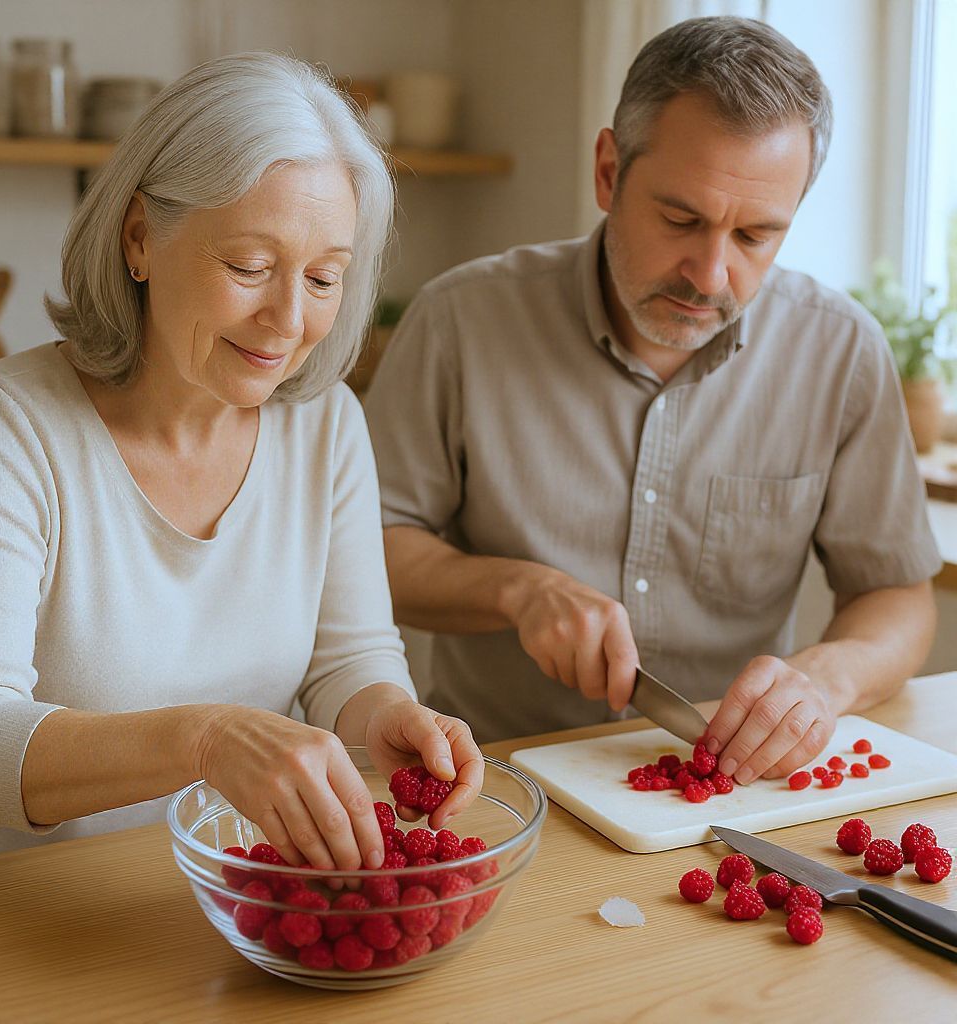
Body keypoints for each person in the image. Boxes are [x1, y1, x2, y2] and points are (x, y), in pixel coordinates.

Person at [0, 52, 482, 866]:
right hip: (15, 909)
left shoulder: (326, 425)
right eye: (249, 267)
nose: (288, 320)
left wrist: (387, 717)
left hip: (224, 891)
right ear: (139, 239)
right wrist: (205, 739)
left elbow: (348, 659)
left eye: (324, 278)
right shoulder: (0, 427)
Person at [364, 17, 941, 784]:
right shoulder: (460, 321)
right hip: (495, 779)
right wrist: (516, 590)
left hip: (728, 791)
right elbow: (367, 550)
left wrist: (828, 678)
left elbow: (896, 593)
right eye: (681, 220)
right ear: (608, 171)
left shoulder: (840, 350)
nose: (709, 274)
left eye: (756, 236)